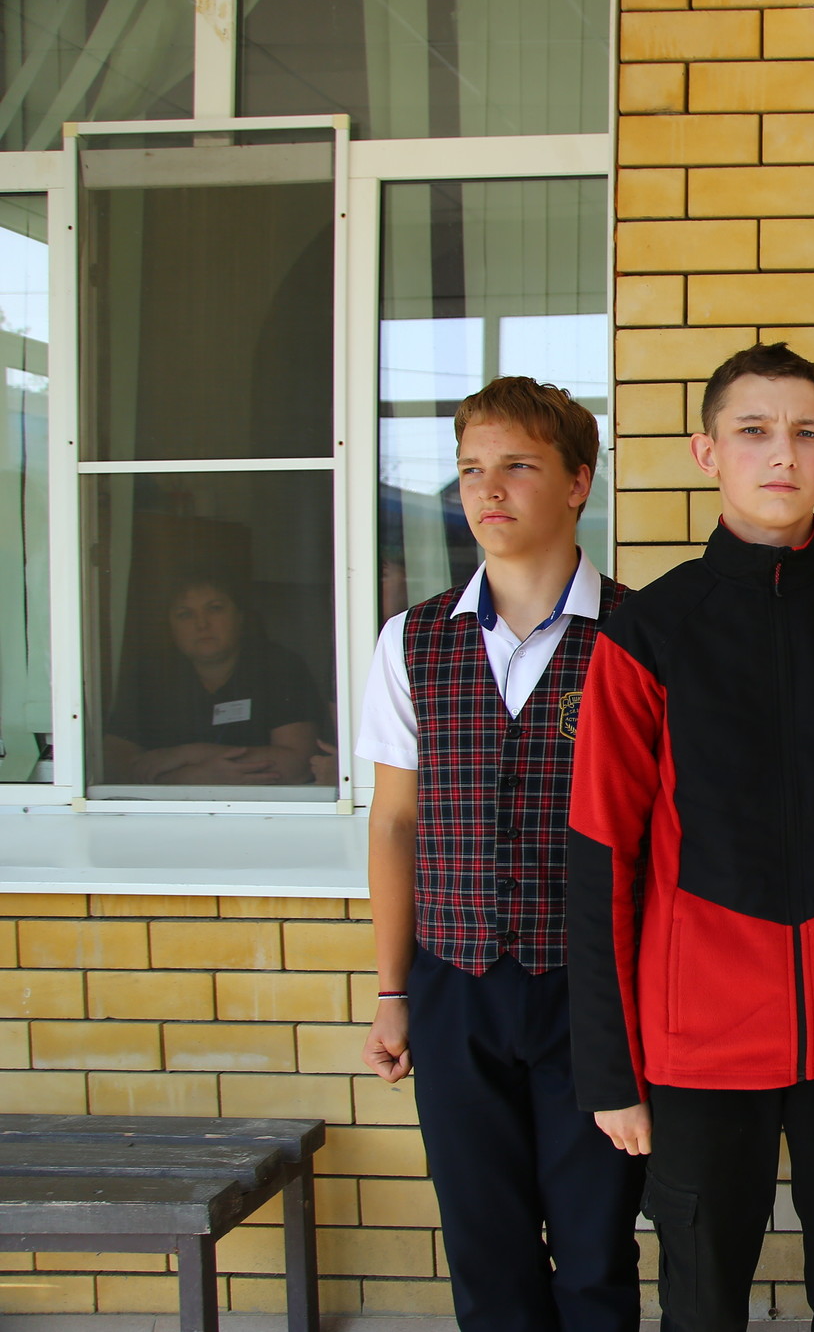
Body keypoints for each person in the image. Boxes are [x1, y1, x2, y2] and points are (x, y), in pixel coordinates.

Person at [566, 342, 814, 1332]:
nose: (779, 453)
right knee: (700, 1302)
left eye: (805, 432)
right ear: (706, 451)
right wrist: (609, 1069)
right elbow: (599, 857)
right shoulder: (645, 637)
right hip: (695, 1035)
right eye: (753, 431)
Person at [355, 376, 643, 1332]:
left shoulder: (643, 637)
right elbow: (396, 823)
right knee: (485, 1249)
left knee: (598, 1249)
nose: (490, 489)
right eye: (472, 469)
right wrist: (394, 990)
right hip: (454, 983)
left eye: (518, 464)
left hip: (596, 990)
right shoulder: (412, 640)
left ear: (577, 481)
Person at [103, 570, 320, 786]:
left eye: (215, 609)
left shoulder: (279, 666)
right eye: (185, 614)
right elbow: (114, 761)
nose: (202, 624)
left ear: (240, 616)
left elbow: (297, 764)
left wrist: (190, 754)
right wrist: (185, 779)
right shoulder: (151, 675)